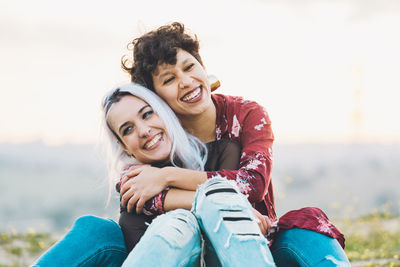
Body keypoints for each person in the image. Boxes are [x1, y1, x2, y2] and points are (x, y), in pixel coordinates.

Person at [33, 22, 350, 266]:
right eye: (169, 79)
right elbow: (150, 203)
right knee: (104, 229)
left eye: (189, 68)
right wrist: (215, 202)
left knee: (307, 225)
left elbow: (250, 184)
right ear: (157, 97)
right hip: (173, 251)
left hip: (248, 247)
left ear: (203, 67)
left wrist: (166, 178)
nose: (185, 81)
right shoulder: (153, 143)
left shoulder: (243, 119)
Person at [33, 83, 275, 267]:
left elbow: (247, 187)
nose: (144, 131)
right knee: (98, 229)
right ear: (123, 146)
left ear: (165, 112)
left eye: (147, 114)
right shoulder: (134, 179)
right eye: (128, 130)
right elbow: (220, 201)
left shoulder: (223, 152)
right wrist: (227, 205)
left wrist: (170, 178)